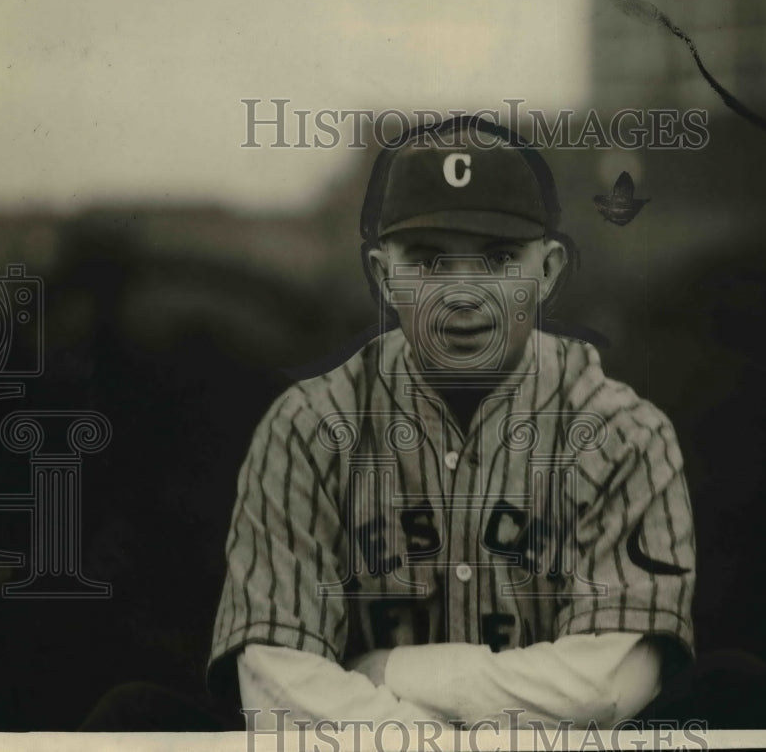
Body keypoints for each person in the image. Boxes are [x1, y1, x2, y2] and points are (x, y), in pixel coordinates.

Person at [206, 115, 697, 729]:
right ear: (384, 274)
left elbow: (609, 684)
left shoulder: (625, 434)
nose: (463, 293)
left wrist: (393, 673)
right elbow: (279, 691)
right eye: (430, 259)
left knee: (741, 690)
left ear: (546, 271)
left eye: (497, 258)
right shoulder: (307, 429)